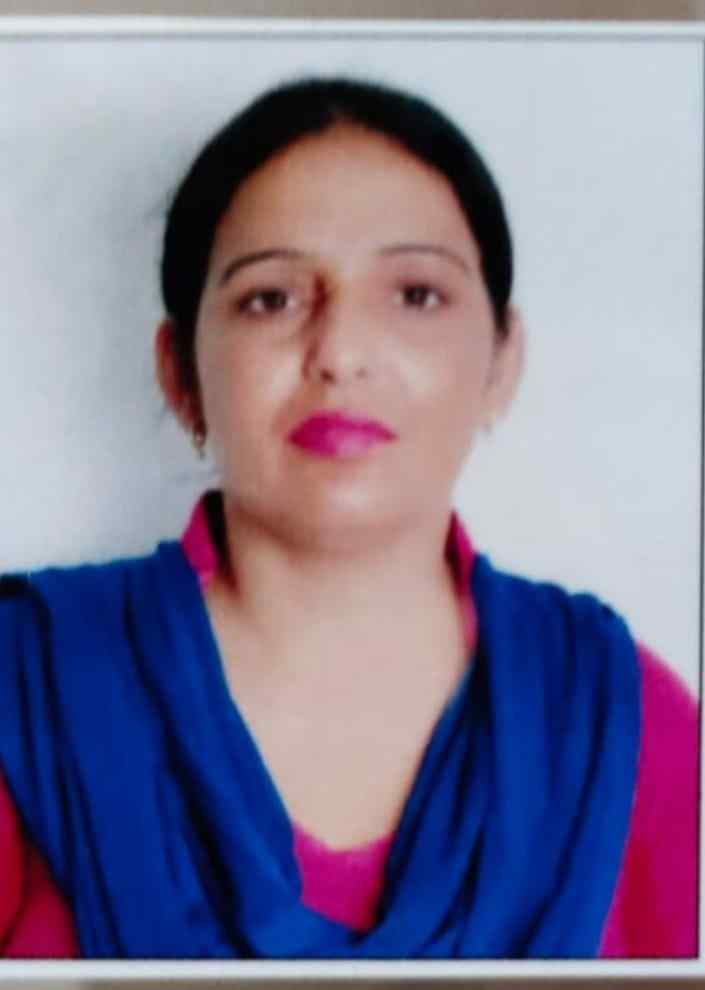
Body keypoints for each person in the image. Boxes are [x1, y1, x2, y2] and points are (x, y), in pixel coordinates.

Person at [0, 76, 697, 959]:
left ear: (500, 360)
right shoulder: (27, 688)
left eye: (415, 295)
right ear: (179, 372)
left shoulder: (622, 727)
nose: (340, 352)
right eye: (271, 298)